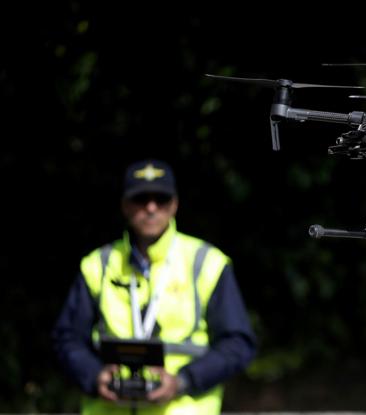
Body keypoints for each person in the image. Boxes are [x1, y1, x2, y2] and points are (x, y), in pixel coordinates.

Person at [52, 159, 257, 415]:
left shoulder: (207, 263)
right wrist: (94, 376)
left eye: (160, 199)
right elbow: (67, 338)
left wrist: (183, 381)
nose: (151, 208)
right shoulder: (98, 265)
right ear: (125, 205)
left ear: (174, 204)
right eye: (140, 199)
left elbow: (238, 343)